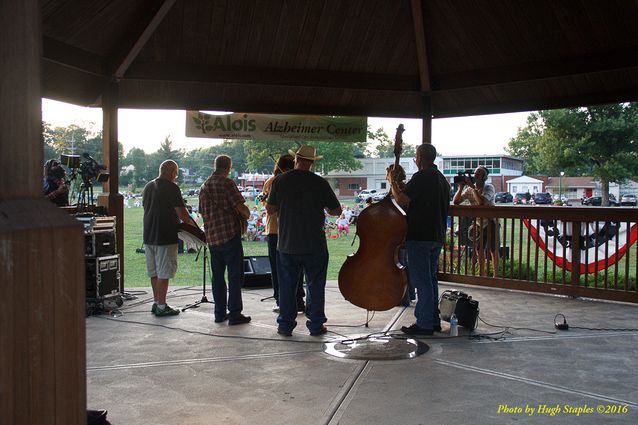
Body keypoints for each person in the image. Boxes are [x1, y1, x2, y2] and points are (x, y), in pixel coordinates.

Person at [266, 145, 342, 337]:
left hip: (287, 244)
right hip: (314, 244)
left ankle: (285, 325)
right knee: (315, 285)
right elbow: (336, 211)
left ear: (295, 159)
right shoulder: (320, 183)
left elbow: (270, 210)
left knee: (287, 287)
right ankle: (315, 325)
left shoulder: (280, 180)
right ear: (312, 162)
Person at [390, 143, 450, 336]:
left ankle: (424, 324)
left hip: (420, 236)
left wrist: (392, 181)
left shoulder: (422, 176)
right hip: (436, 236)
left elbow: (402, 200)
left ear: (420, 158)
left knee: (421, 281)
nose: (415, 160)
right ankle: (432, 320)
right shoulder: (442, 179)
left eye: (416, 156)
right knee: (430, 279)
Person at [199, 155, 251, 325]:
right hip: (229, 235)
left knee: (218, 277)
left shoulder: (204, 186)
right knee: (235, 276)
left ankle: (219, 313)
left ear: (215, 165)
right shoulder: (227, 183)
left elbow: (202, 212)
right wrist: (246, 213)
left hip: (212, 238)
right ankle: (235, 313)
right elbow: (240, 207)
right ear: (229, 167)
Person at [143, 160, 196, 317]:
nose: (176, 176)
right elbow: (182, 214)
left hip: (149, 235)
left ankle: (156, 301)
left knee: (154, 271)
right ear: (172, 172)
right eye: (176, 173)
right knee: (164, 272)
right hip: (165, 235)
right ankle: (161, 305)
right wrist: (196, 228)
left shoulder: (148, 186)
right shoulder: (172, 187)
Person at [261, 154, 306, 313]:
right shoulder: (298, 180)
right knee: (298, 266)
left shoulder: (272, 182)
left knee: (277, 268)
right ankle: (299, 300)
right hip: (294, 229)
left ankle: (281, 301)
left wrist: (264, 199)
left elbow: (269, 206)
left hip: (274, 229)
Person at [452, 165, 499, 277]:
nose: (476, 174)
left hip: (491, 221)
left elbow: (482, 202)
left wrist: (472, 187)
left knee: (493, 249)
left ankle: (496, 276)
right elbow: (456, 202)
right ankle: (482, 275)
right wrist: (460, 188)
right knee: (479, 249)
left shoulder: (489, 187)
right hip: (478, 223)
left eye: (479, 173)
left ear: (484, 177)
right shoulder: (469, 189)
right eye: (475, 172)